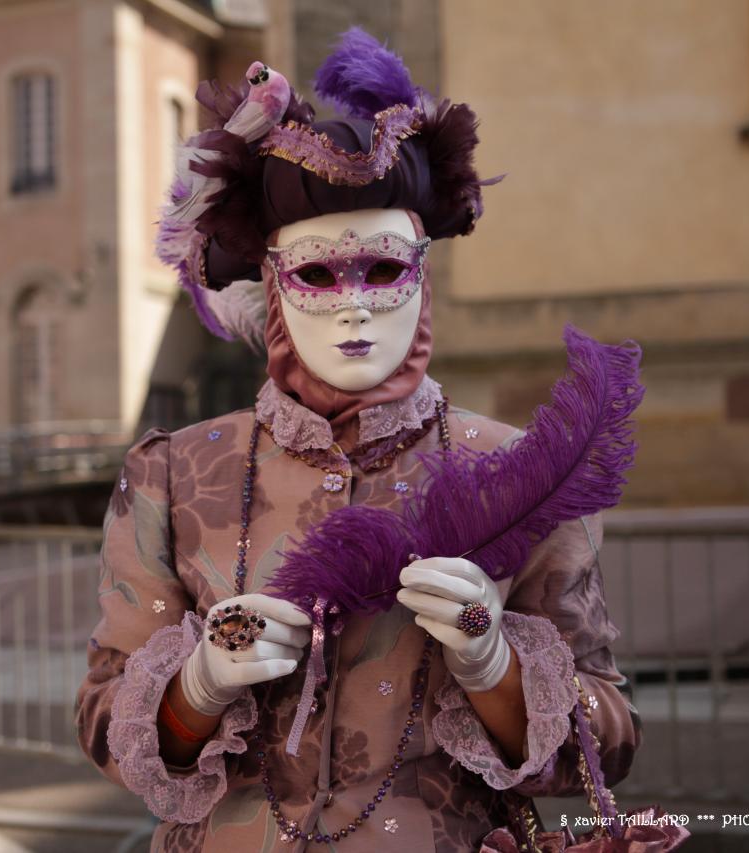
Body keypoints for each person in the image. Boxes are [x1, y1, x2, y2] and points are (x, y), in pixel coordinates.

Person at [76, 31, 647, 852]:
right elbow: (103, 722)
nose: (353, 307)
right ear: (272, 287)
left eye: (382, 270)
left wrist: (496, 668)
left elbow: (613, 741)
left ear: (422, 274)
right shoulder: (174, 473)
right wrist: (192, 687)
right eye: (316, 274)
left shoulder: (523, 473)